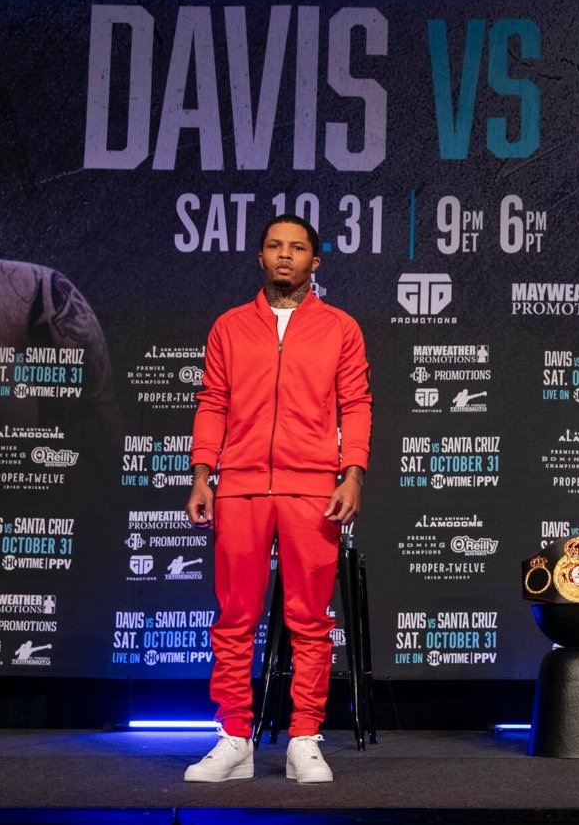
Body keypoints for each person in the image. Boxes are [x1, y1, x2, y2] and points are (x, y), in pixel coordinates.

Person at [182, 214, 372, 783]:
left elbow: (356, 404)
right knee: (235, 618)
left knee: (309, 620)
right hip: (238, 486)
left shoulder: (341, 327)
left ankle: (305, 739)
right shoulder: (230, 327)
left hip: (313, 487)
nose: (283, 255)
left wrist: (353, 475)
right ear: (260, 257)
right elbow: (213, 402)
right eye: (273, 245)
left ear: (316, 262)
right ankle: (235, 738)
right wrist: (201, 475)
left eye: (296, 247)